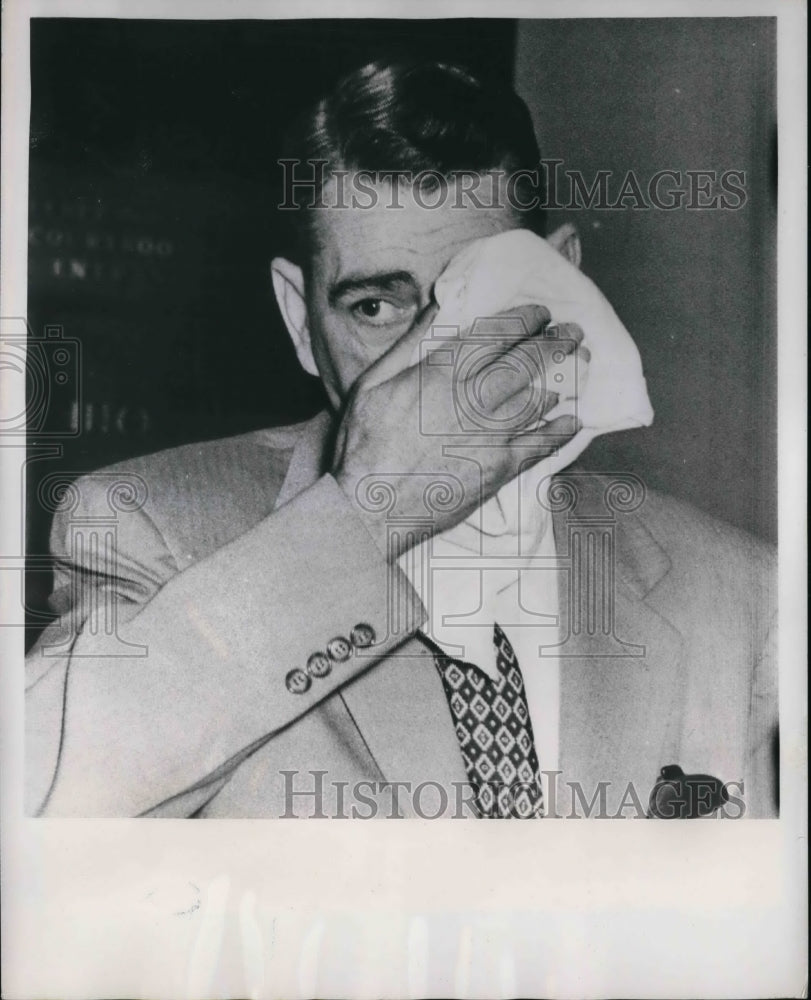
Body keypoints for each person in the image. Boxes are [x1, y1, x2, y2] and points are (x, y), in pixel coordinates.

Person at [25, 59, 777, 819]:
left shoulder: (739, 597)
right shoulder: (145, 528)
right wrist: (366, 514)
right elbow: (36, 819)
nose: (435, 359)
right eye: (377, 307)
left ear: (565, 282)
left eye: (481, 292)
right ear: (299, 319)